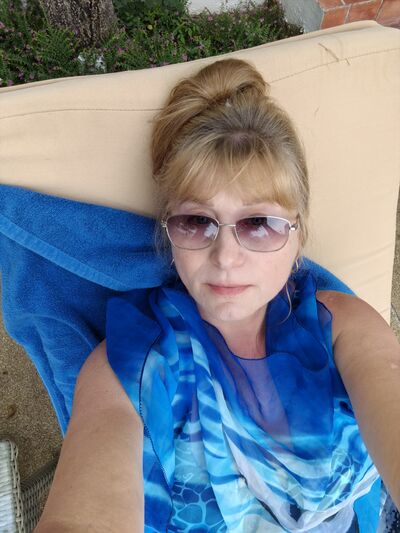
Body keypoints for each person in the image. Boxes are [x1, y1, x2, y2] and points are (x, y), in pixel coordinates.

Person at [35, 58, 400, 533]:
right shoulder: (129, 367)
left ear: (298, 236)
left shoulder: (344, 329)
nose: (226, 257)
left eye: (259, 224)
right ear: (168, 234)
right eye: (196, 222)